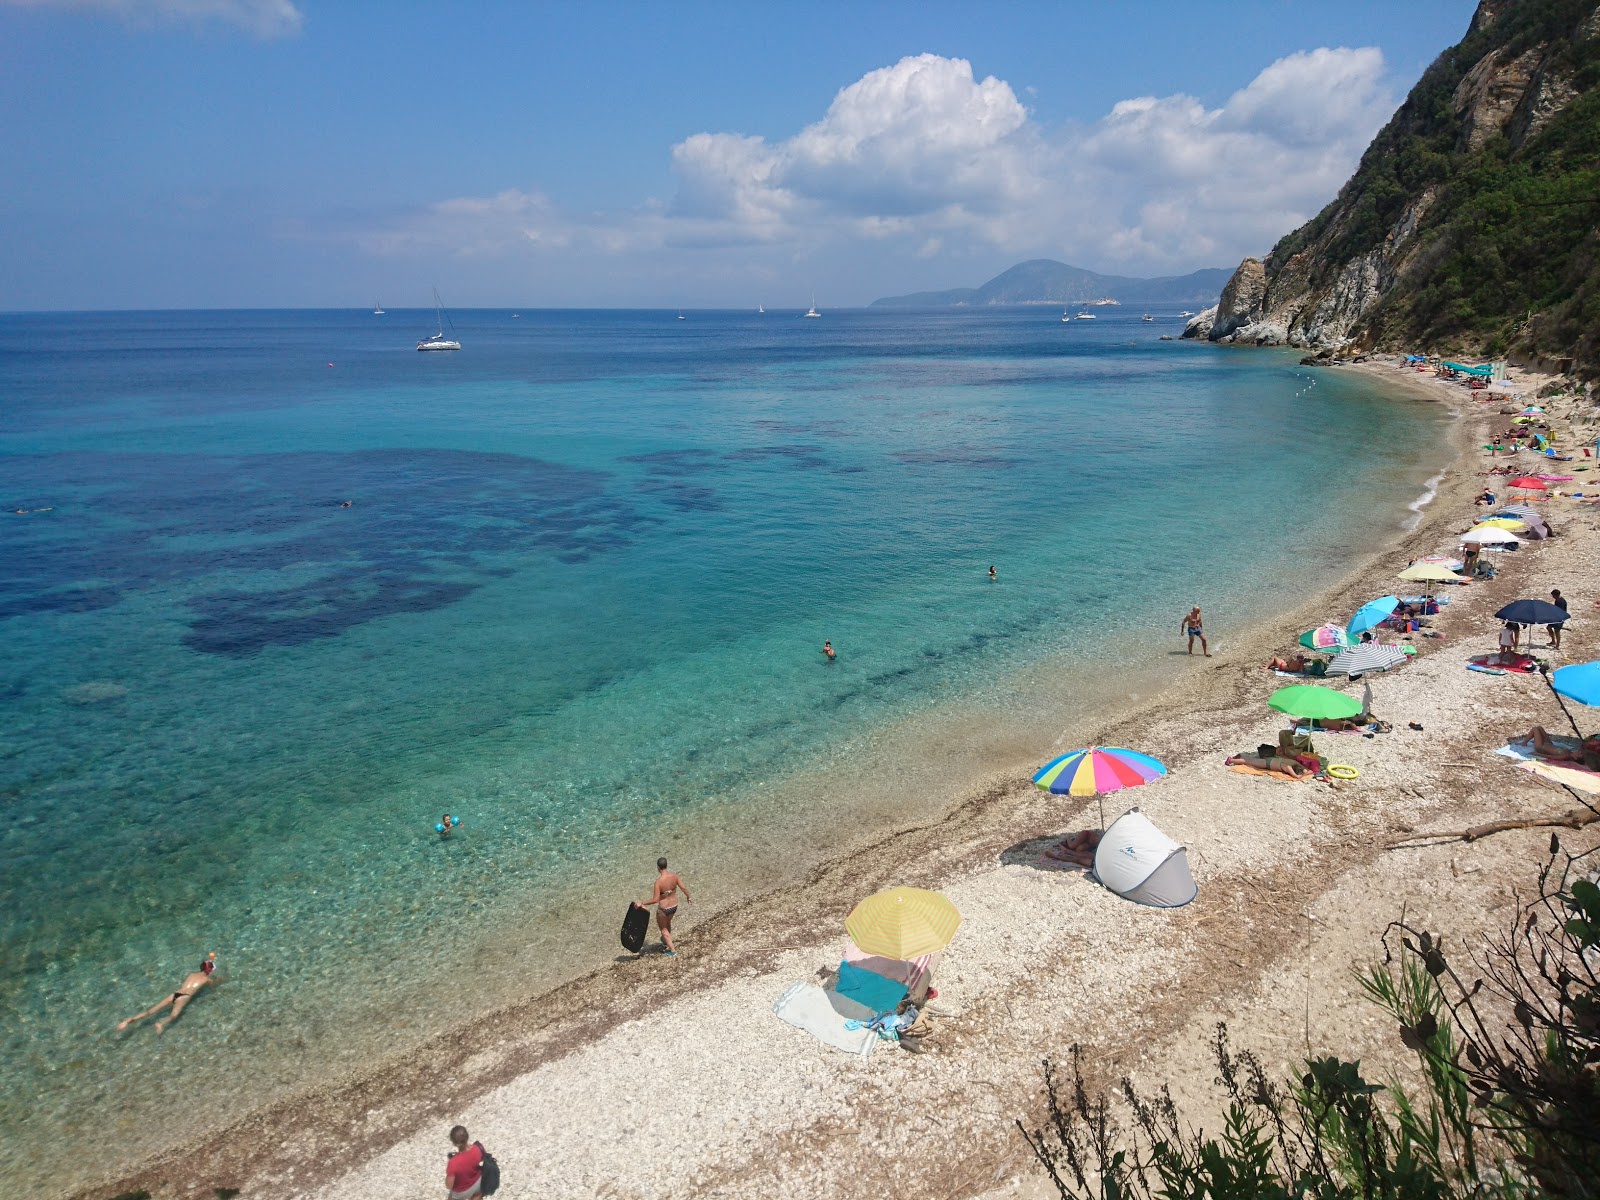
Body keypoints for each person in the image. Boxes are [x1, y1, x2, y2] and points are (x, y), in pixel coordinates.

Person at [117, 954, 219, 1034]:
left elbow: (202, 972)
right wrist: (220, 980)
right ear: (209, 971)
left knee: (151, 1011)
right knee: (174, 1015)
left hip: (175, 994)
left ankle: (129, 1020)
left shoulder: (191, 974)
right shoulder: (206, 980)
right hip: (184, 997)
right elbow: (213, 986)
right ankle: (161, 1024)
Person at [639, 856, 692, 955]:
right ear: (666, 866)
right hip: (674, 906)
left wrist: (642, 903)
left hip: (664, 909)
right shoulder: (674, 876)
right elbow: (683, 887)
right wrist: (688, 897)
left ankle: (672, 950)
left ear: (658, 868)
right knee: (667, 923)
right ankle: (667, 941)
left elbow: (655, 900)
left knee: (663, 929)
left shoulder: (658, 882)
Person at [1515, 726, 1600, 771]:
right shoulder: (1569, 752)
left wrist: (1537, 754)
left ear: (1576, 758)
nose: (1579, 752)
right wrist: (1548, 740)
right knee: (1540, 728)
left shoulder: (1565, 756)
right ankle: (1530, 740)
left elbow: (1551, 757)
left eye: (1579, 754)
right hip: (1548, 744)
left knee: (1535, 729)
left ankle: (1524, 742)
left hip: (1541, 747)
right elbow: (1555, 749)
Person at [445, 1125, 485, 1200]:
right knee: (477, 1195)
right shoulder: (478, 1148)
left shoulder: (453, 1163)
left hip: (462, 1192)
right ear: (467, 1136)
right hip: (478, 1183)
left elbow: (449, 1185)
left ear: (454, 1142)